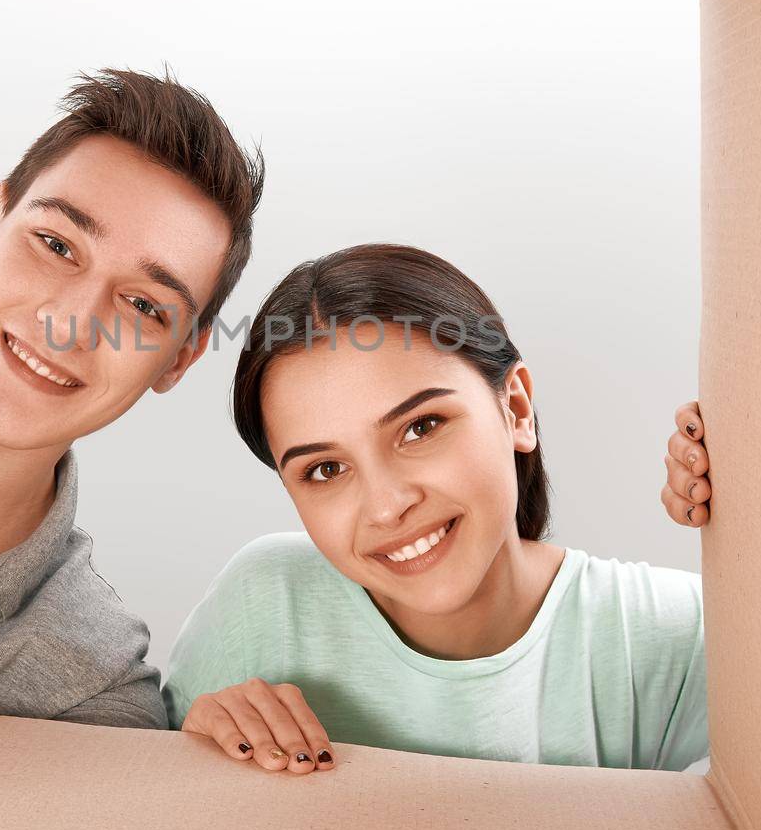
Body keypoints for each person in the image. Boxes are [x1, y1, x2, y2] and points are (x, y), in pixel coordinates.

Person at [159, 243, 712, 774]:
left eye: (420, 428)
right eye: (325, 469)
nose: (386, 507)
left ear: (516, 408)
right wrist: (190, 758)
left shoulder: (670, 636)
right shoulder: (262, 608)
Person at [0, 68, 265, 729]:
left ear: (179, 360)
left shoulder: (90, 696)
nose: (74, 323)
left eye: (143, 305)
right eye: (56, 245)